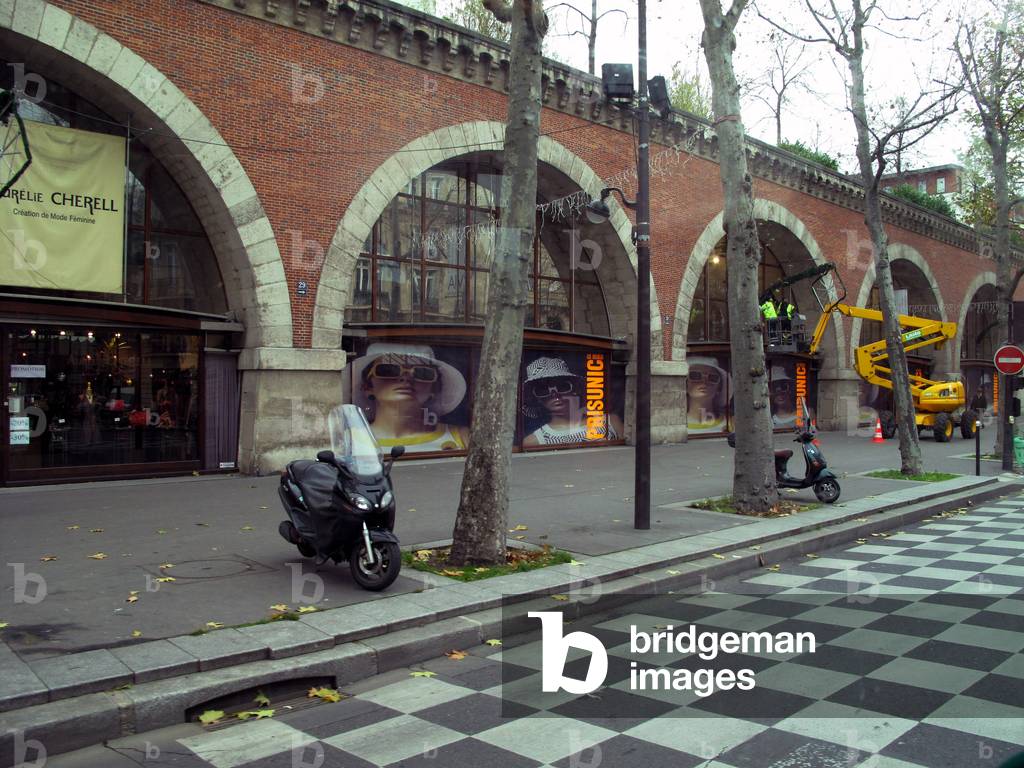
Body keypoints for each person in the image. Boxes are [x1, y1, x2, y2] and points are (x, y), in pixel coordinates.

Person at [351, 342, 468, 452]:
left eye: (422, 372)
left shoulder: (461, 437)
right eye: (388, 371)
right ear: (367, 387)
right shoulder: (347, 441)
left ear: (434, 389)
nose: (406, 378)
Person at [522, 356, 623, 446]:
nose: (555, 394)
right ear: (537, 398)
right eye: (542, 390)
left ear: (575, 388)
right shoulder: (534, 441)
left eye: (562, 386)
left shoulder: (610, 422)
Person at [687, 356, 731, 432]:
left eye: (712, 378)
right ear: (685, 384)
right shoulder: (674, 424)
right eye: (695, 376)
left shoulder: (731, 423)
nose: (704, 382)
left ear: (719, 388)